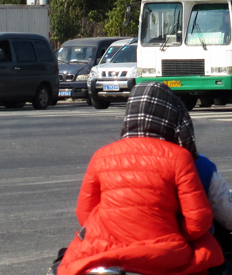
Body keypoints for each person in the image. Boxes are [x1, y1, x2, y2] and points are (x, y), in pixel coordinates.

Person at [55, 82, 223, 275]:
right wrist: (175, 232)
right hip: (162, 256)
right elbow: (198, 221)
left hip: (101, 253)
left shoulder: (101, 156)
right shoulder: (179, 157)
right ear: (169, 117)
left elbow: (85, 214)